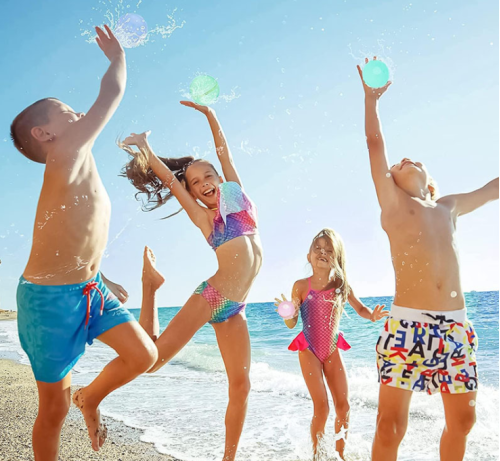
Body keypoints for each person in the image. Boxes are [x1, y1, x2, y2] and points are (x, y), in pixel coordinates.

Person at [10, 25, 158, 459]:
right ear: (44, 134)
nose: (78, 114)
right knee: (52, 410)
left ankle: (90, 398)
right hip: (48, 302)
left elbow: (74, 235)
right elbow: (109, 96)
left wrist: (102, 276)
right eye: (67, 111)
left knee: (143, 355)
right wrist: (117, 61)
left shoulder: (77, 163)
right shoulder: (65, 152)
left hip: (89, 289)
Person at [357, 57, 499, 461]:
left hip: (456, 326)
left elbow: (492, 189)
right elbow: (375, 145)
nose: (403, 160)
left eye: (412, 160)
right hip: (407, 325)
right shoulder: (393, 205)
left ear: (429, 180)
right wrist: (371, 102)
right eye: (398, 164)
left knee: (463, 422)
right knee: (390, 425)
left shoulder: (448, 206)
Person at [120, 101, 263, 461]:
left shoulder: (238, 198)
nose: (203, 184)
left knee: (242, 385)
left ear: (219, 177)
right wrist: (146, 149)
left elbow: (224, 152)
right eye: (196, 183)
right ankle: (149, 287)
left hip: (236, 307)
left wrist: (210, 115)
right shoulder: (205, 220)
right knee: (152, 362)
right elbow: (170, 180)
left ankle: (228, 458)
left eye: (208, 176)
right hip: (213, 295)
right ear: (195, 193)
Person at [275, 228, 388, 460]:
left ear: (337, 258)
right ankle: (318, 455)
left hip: (332, 349)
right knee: (322, 407)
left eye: (329, 250)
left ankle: (340, 454)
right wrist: (288, 313)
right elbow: (292, 323)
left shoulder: (340, 284)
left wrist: (372, 316)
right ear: (308, 256)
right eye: (317, 248)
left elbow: (360, 308)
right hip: (309, 350)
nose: (322, 252)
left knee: (343, 406)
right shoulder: (300, 286)